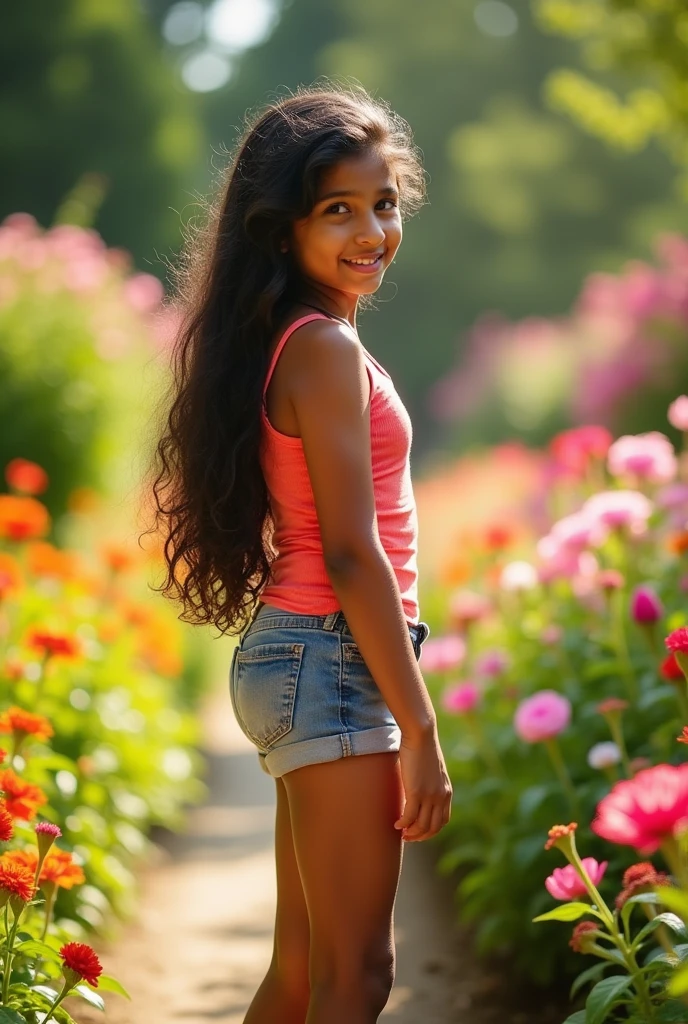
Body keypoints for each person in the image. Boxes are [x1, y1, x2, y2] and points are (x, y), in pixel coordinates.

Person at [149, 82, 453, 1024]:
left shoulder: (308, 339)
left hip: (306, 652)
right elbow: (355, 554)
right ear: (282, 229)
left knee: (303, 973)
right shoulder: (320, 348)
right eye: (337, 211)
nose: (371, 231)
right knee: (356, 976)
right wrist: (424, 729)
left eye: (383, 203)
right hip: (333, 654)